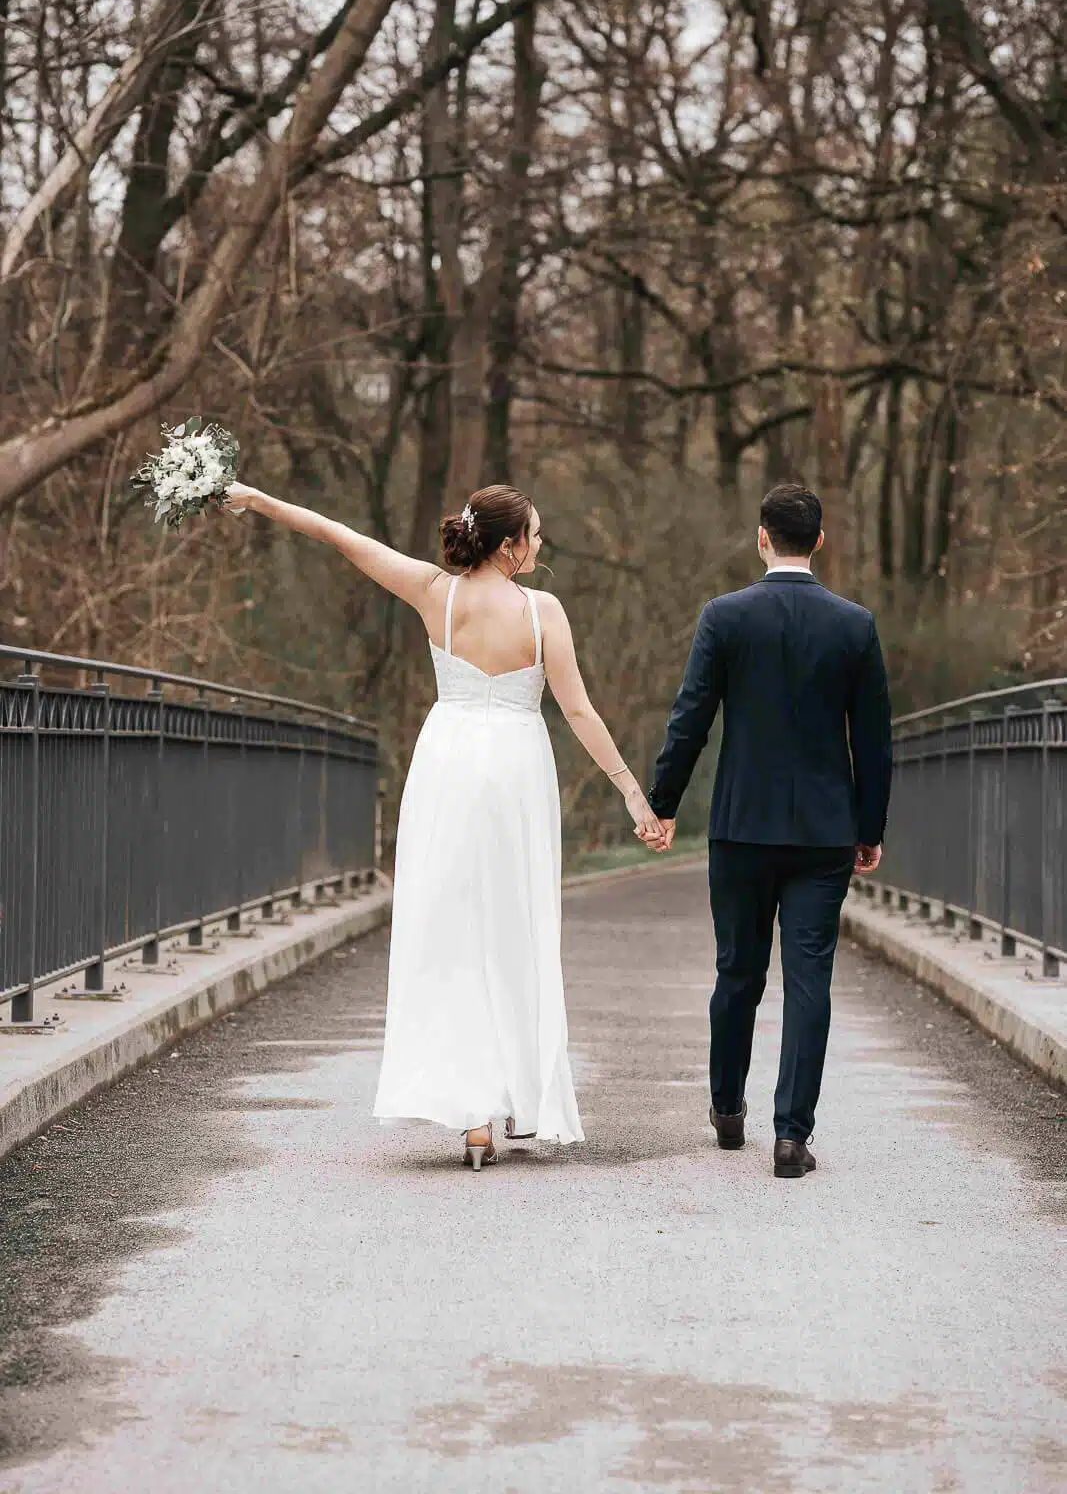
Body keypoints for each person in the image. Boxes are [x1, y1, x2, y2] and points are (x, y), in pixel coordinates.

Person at [223, 480, 666, 1169]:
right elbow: (578, 711)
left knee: (454, 932)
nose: (541, 544)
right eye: (536, 534)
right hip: (516, 770)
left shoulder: (435, 591)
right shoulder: (541, 610)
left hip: (448, 766)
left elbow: (336, 533)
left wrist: (255, 499)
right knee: (516, 926)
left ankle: (474, 1118)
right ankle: (519, 1092)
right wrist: (634, 797)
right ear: (511, 545)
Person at [645, 483, 892, 1179]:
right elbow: (872, 741)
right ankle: (791, 1137)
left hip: (740, 827)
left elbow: (689, 717)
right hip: (823, 834)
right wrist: (867, 827)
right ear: (818, 541)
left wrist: (663, 801)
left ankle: (728, 1112)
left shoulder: (725, 617)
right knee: (807, 977)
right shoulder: (854, 625)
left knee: (737, 971)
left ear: (761, 538)